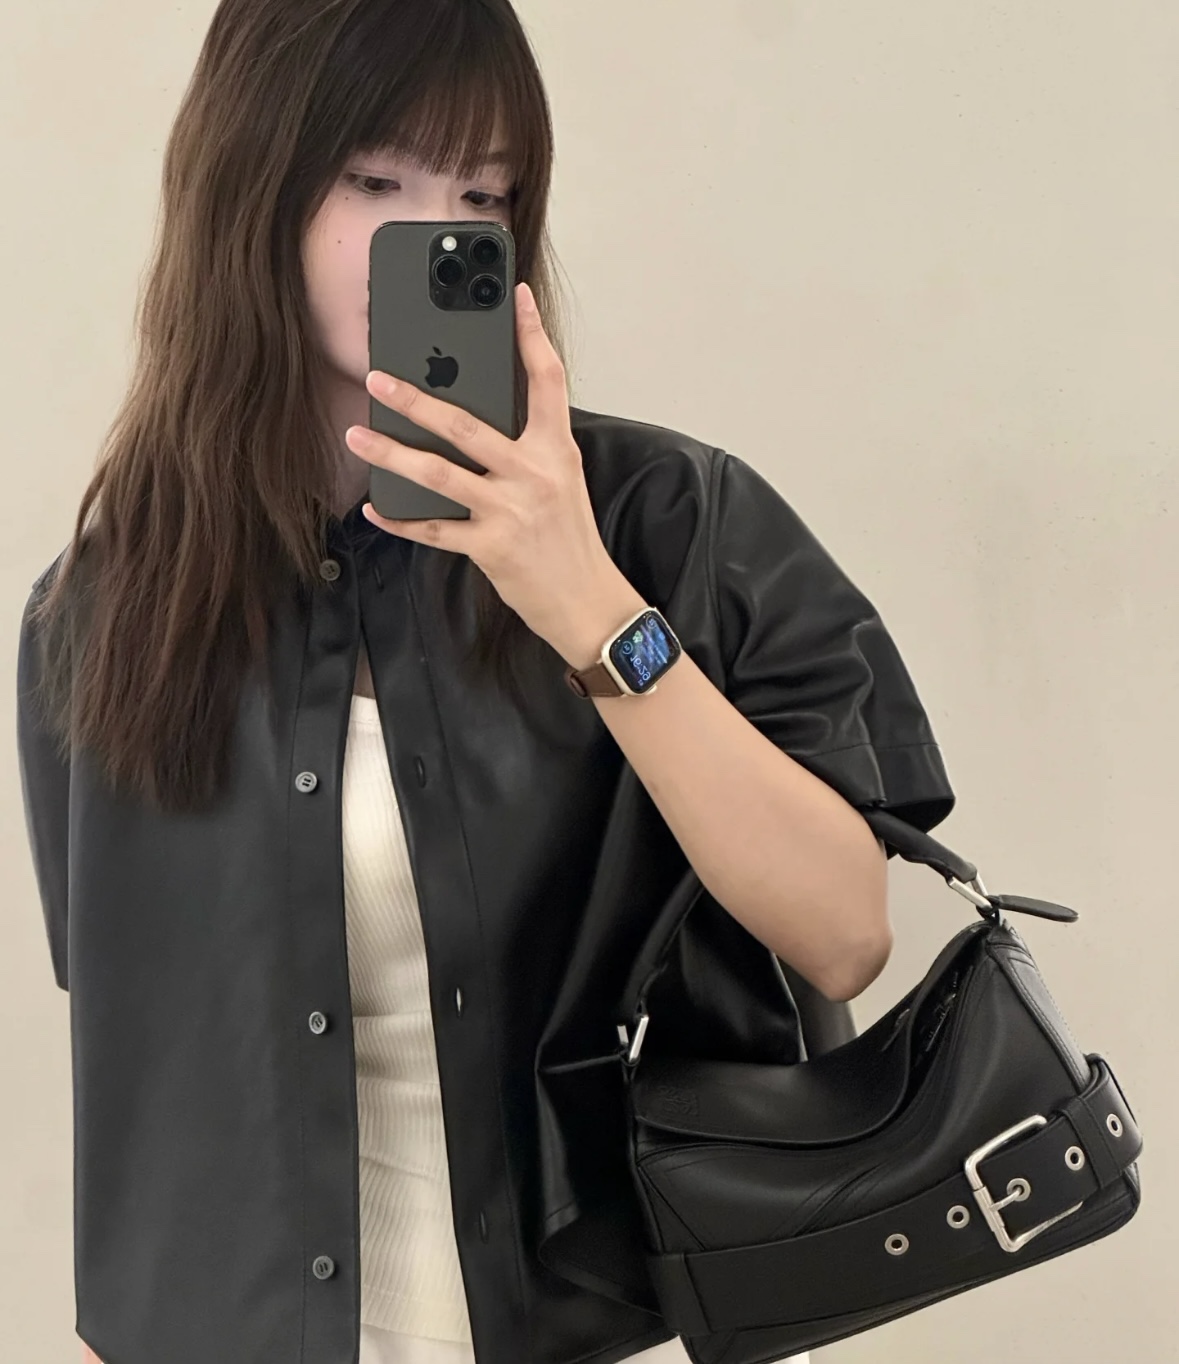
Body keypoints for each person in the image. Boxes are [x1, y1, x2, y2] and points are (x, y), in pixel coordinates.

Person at [18, 3, 956, 1363]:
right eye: (376, 181)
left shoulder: (669, 523)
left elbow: (843, 932)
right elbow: (147, 1082)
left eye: (484, 195)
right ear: (250, 185)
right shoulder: (104, 612)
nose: (438, 236)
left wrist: (591, 609)